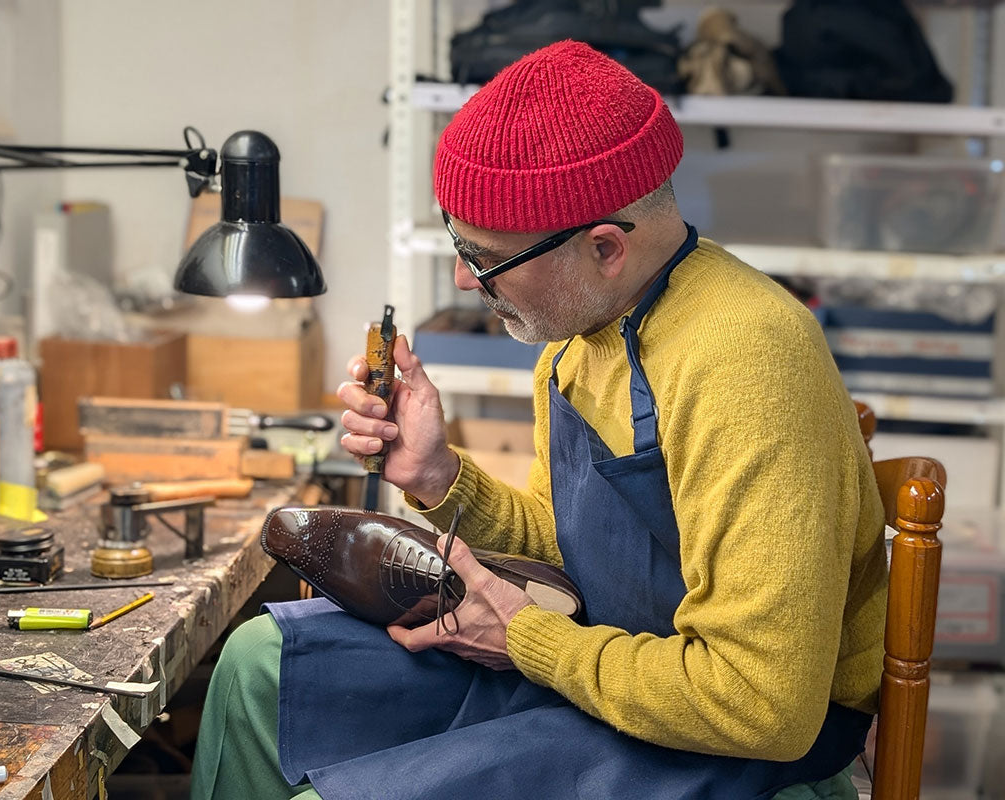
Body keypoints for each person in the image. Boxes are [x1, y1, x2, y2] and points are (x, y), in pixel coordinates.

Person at [190, 40, 885, 800]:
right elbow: (578, 557)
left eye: (483, 257)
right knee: (262, 666)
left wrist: (523, 639)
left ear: (605, 247)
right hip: (607, 674)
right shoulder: (581, 341)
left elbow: (761, 703)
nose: (462, 277)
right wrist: (439, 476)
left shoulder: (748, 359)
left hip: (740, 751)